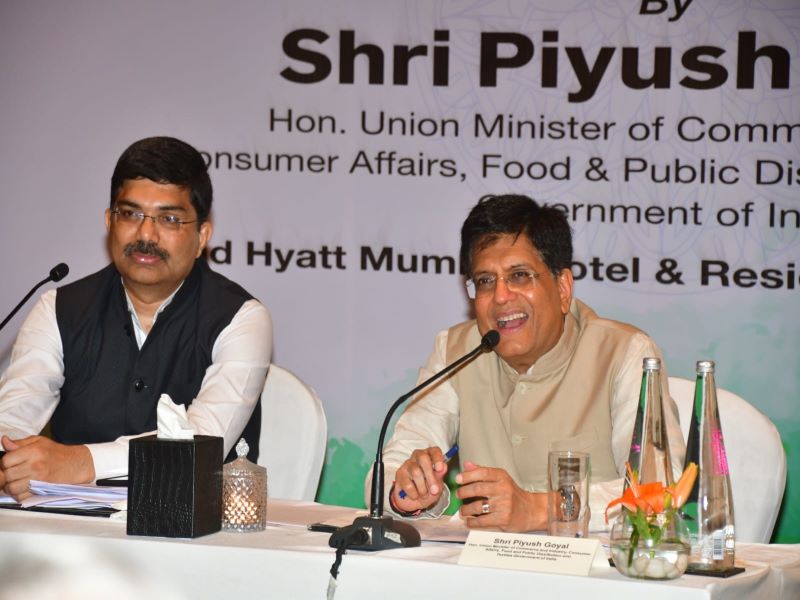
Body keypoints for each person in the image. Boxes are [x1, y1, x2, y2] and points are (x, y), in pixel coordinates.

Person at [370, 194, 684, 532]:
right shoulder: (456, 352)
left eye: (519, 275)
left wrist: (542, 508)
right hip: (483, 563)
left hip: (595, 563)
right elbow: (390, 470)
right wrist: (408, 492)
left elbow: (658, 489)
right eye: (485, 281)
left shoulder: (624, 354)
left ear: (562, 288)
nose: (501, 296)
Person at [0, 136, 272, 500]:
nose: (146, 234)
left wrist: (80, 462)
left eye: (169, 219)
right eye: (130, 214)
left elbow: (200, 445)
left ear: (202, 236)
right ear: (109, 221)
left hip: (194, 528)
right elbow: (11, 423)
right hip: (70, 526)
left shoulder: (241, 318)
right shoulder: (58, 309)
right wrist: (12, 458)